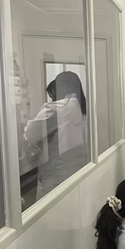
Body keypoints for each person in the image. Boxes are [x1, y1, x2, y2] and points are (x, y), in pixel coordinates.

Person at [25, 71, 88, 200]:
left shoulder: (55, 109)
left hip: (56, 173)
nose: (52, 98)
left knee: (50, 207)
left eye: (52, 94)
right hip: (77, 168)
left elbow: (30, 134)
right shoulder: (81, 107)